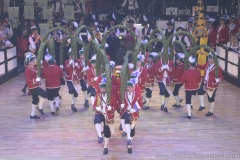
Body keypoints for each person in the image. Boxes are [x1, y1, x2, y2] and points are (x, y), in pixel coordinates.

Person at [93, 79, 118, 155]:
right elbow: (94, 105)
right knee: (97, 120)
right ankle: (100, 136)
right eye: (101, 89)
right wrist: (96, 108)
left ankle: (105, 147)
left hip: (108, 115)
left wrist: (112, 108)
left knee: (107, 132)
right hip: (100, 113)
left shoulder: (112, 97)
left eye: (104, 89)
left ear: (106, 89)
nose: (102, 90)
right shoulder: (98, 96)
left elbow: (116, 106)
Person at [197, 52, 224, 117]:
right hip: (205, 83)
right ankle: (202, 105)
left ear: (213, 60)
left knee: (210, 99)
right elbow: (201, 67)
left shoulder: (218, 68)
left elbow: (222, 77)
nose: (208, 60)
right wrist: (195, 64)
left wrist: (217, 80)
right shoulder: (206, 64)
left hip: (212, 86)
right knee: (200, 92)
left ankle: (211, 111)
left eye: (209, 59)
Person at [119, 80, 143, 154]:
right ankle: (129, 142)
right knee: (127, 121)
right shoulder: (123, 94)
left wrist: (135, 109)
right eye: (127, 87)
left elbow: (140, 105)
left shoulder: (137, 94)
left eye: (129, 87)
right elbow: (119, 104)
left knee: (132, 130)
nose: (127, 88)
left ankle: (129, 143)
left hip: (134, 114)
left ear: (133, 88)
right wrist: (121, 106)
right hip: (126, 112)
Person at [25, 54, 47, 119]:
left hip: (34, 86)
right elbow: (28, 81)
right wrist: (35, 80)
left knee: (35, 100)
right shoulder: (27, 70)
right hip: (32, 87)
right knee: (45, 94)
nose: (34, 62)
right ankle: (39, 107)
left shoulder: (33, 67)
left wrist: (41, 64)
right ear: (29, 63)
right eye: (32, 61)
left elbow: (39, 68)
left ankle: (32, 115)